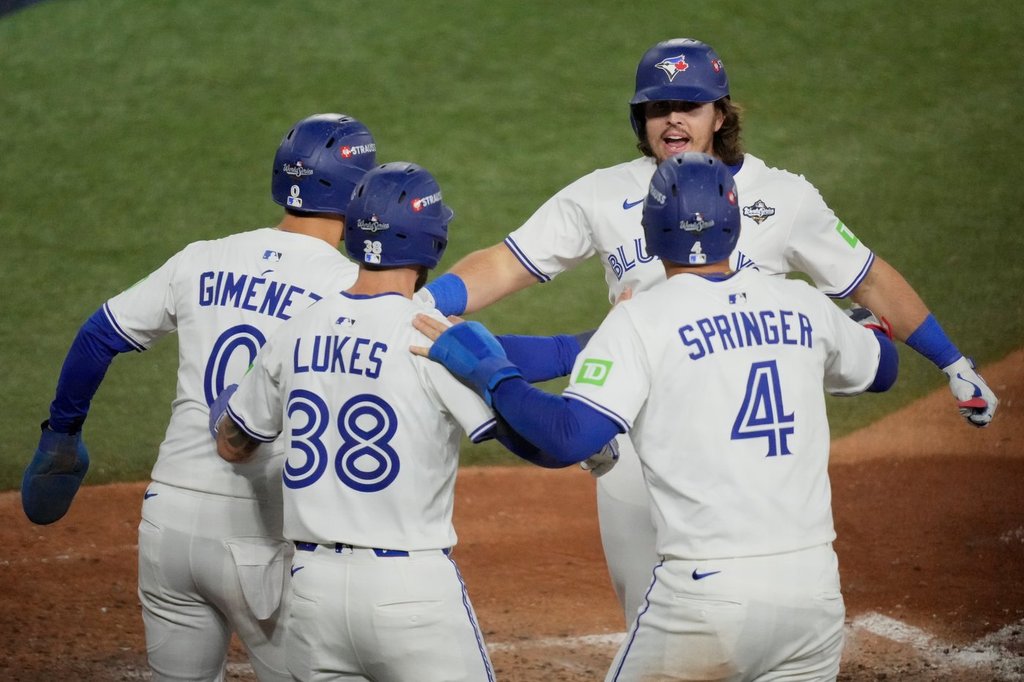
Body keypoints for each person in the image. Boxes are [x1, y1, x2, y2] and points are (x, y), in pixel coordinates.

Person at [418, 37, 999, 626]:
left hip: (736, 439)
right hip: (627, 434)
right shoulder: (600, 192)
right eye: (657, 106)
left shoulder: (784, 197)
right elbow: (504, 262)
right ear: (640, 119)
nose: (672, 118)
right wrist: (417, 300)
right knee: (651, 618)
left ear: (720, 115)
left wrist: (952, 362)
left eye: (689, 105)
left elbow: (868, 280)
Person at [413, 152, 900, 680]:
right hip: (814, 596)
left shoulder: (641, 319)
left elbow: (568, 437)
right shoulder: (805, 305)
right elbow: (883, 368)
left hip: (705, 602)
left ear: (649, 230)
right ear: (735, 226)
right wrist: (866, 326)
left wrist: (491, 373)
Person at [21, 113, 378, 681]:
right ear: (357, 192)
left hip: (169, 521)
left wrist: (61, 434)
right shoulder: (346, 289)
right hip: (263, 532)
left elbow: (97, 336)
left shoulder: (203, 256)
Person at [213, 162, 500, 682]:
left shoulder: (295, 329)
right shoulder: (434, 337)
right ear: (432, 241)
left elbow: (233, 444)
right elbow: (522, 429)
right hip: (410, 593)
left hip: (311, 596)